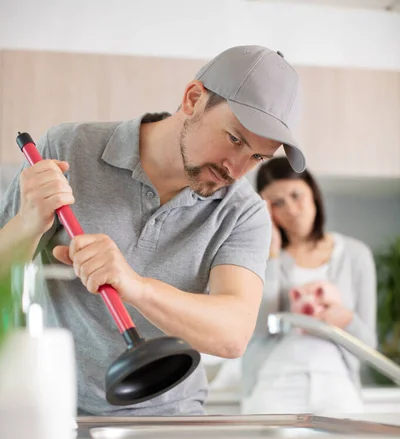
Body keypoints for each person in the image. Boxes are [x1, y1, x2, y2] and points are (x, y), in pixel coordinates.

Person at [0, 46, 306, 416]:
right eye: (235, 139)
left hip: (171, 418)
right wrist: (29, 223)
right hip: (56, 411)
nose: (236, 170)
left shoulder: (243, 212)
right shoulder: (67, 149)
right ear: (193, 99)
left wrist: (137, 286)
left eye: (257, 157)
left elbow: (233, 333)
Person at [241, 157, 377, 416]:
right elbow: (257, 328)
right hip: (275, 379)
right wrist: (270, 252)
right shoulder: (263, 259)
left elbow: (368, 346)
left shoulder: (355, 255)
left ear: (313, 193)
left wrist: (345, 319)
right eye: (277, 203)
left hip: (335, 381)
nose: (291, 210)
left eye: (296, 195)